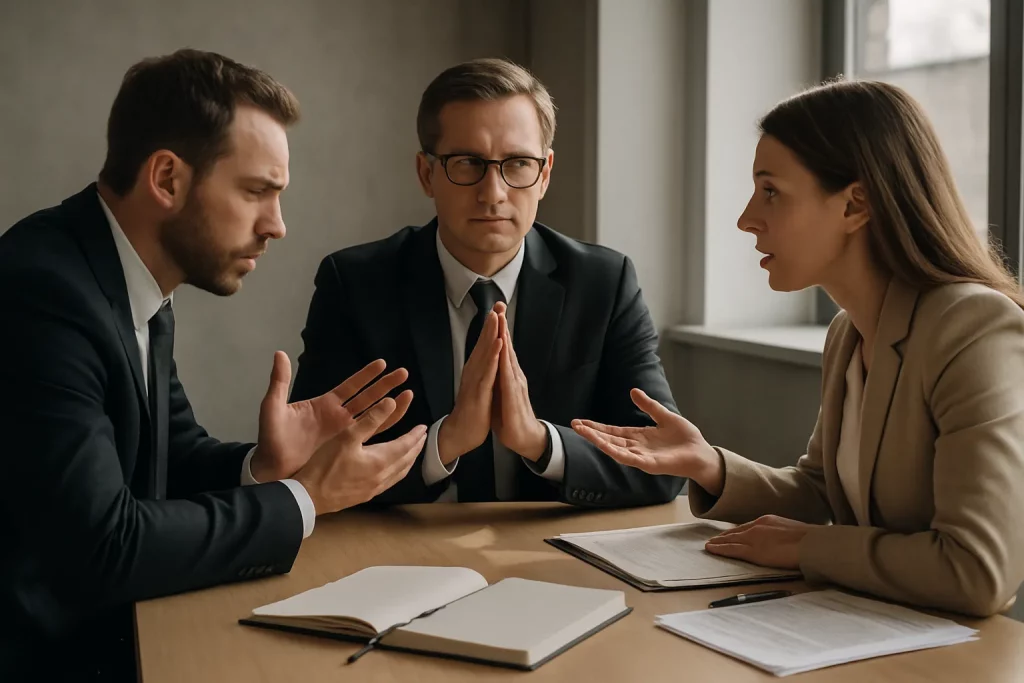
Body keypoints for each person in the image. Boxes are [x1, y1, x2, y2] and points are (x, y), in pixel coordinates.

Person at [0, 50, 427, 681]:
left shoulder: (131, 279)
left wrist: (261, 467)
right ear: (167, 178)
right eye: (257, 191)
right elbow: (103, 546)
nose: (277, 226)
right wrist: (305, 497)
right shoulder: (46, 292)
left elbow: (166, 460)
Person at [572, 79, 1024, 618]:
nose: (746, 219)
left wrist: (806, 547)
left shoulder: (973, 327)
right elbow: (820, 491)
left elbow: (977, 571)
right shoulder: (848, 333)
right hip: (871, 626)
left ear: (856, 205)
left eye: (770, 192)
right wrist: (709, 465)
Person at [290, 58, 684, 505]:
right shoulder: (356, 284)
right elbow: (313, 466)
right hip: (406, 552)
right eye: (467, 163)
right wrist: (445, 443)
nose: (493, 192)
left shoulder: (604, 284)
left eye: (517, 164)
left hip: (549, 554)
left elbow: (666, 463)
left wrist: (539, 441)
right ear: (427, 174)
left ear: (545, 174)